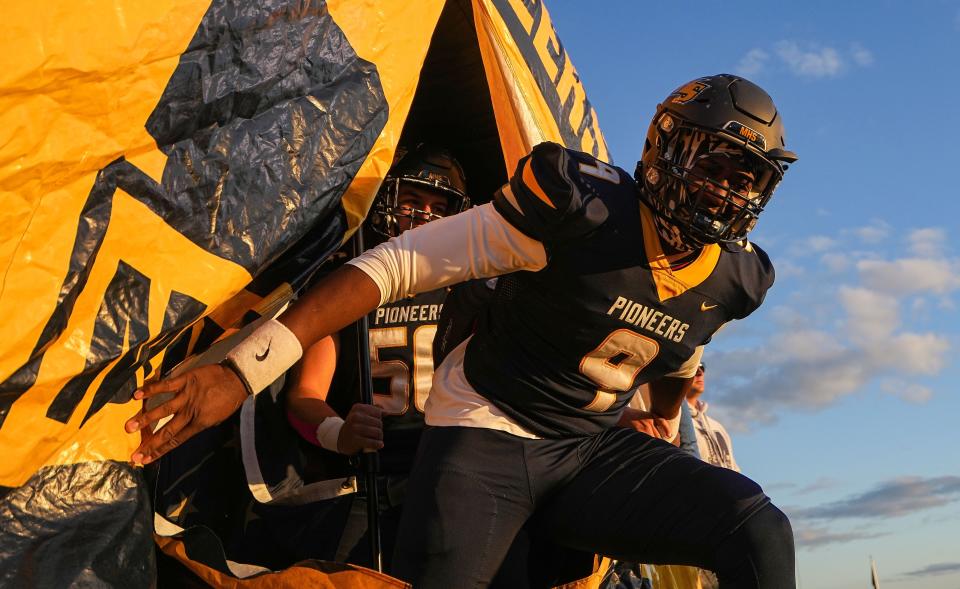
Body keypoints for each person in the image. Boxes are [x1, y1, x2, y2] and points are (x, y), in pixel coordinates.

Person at [126, 74, 799, 588]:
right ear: (666, 150)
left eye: (747, 180)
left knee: (756, 528)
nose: (725, 194)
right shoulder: (581, 207)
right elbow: (395, 264)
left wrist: (656, 415)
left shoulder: (737, 278)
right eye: (714, 168)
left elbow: (682, 349)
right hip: (487, 436)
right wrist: (240, 369)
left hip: (588, 449)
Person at [284, 143, 470, 570]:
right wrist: (338, 432)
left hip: (454, 480)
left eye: (438, 207)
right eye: (412, 201)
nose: (423, 217)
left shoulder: (473, 287)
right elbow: (304, 394)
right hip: (368, 481)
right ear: (387, 200)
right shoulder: (347, 284)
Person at [686, 362, 740, 472]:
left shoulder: (717, 426)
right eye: (693, 367)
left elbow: (734, 469)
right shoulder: (673, 422)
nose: (700, 373)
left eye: (702, 368)